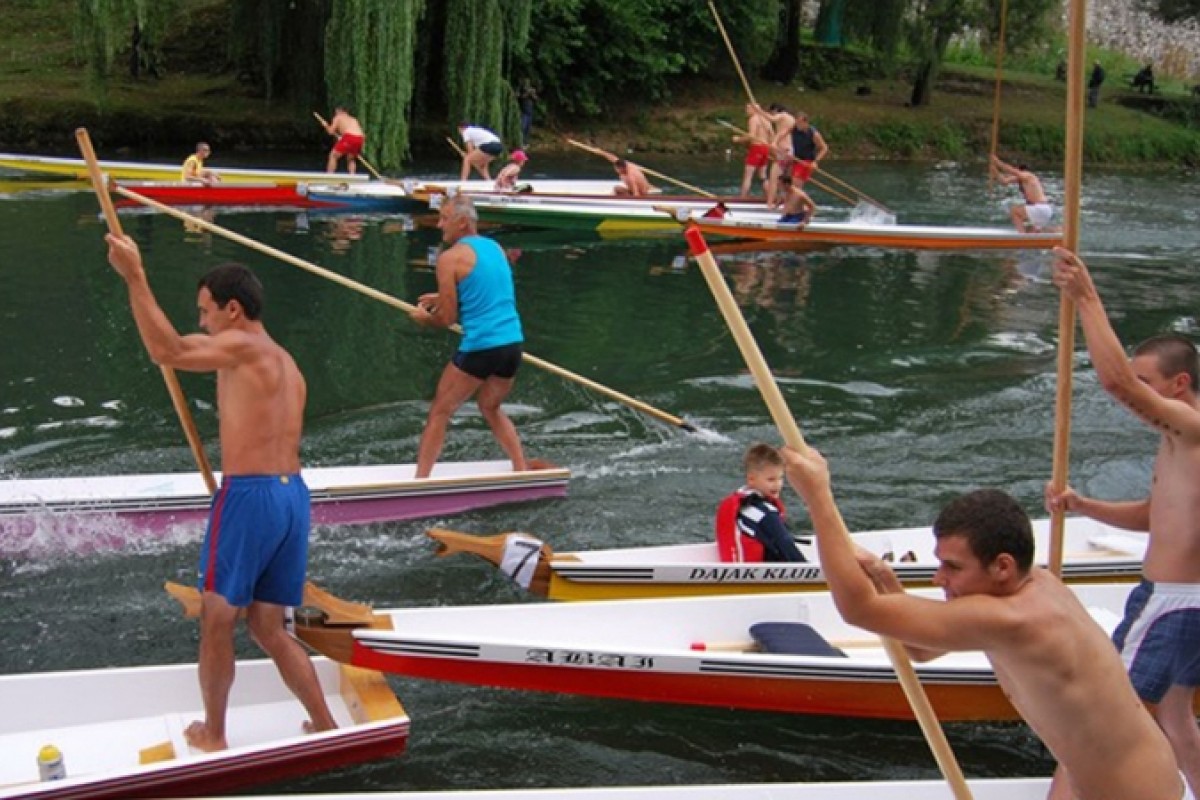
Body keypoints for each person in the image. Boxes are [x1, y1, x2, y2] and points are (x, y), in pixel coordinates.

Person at [781, 445, 1187, 800]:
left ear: (1002, 567)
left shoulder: (1015, 618)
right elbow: (920, 649)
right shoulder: (1023, 591)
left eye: (952, 567)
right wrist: (888, 583)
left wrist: (818, 496)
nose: (940, 578)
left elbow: (858, 609)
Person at [103, 234, 336, 753]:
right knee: (269, 626)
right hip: (292, 496)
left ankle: (214, 733)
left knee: (217, 618)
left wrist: (135, 277)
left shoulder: (242, 345)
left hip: (250, 496)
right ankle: (323, 724)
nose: (203, 322)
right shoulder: (286, 362)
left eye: (206, 311)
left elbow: (168, 350)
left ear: (234, 309)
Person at [1046, 246, 1200, 799]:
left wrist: (1086, 297)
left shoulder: (1190, 428)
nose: (1137, 393)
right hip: (1190, 603)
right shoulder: (1180, 442)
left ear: (1179, 384)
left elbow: (1115, 384)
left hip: (1170, 603)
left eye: (1148, 382)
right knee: (1176, 715)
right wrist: (1086, 507)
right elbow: (1156, 516)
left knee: (1103, 723)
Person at [407, 194, 527, 479]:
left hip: (481, 347)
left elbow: (447, 319)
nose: (439, 225)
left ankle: (420, 482)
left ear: (462, 223)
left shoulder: (450, 259)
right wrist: (446, 294)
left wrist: (426, 319)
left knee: (440, 411)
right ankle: (521, 469)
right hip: (512, 345)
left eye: (444, 218)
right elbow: (488, 286)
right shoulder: (496, 248)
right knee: (490, 406)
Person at [715, 443, 806, 563]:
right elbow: (785, 544)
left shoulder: (743, 505)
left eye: (781, 478)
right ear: (751, 479)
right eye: (771, 479)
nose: (778, 484)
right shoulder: (763, 514)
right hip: (755, 577)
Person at [990, 155, 1054, 233]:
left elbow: (1011, 170)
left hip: (1040, 208)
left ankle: (1021, 236)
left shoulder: (1028, 175)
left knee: (1014, 211)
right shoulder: (1022, 178)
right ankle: (1033, 236)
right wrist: (995, 170)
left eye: (1018, 173)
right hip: (1041, 210)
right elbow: (1004, 181)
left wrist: (997, 162)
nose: (1015, 176)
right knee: (1031, 230)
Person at [734, 103, 773, 197]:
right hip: (765, 148)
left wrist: (738, 139)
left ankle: (742, 198)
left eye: (748, 108)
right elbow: (772, 135)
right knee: (763, 176)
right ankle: (769, 197)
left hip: (757, 147)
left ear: (754, 109)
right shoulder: (767, 120)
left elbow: (752, 135)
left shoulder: (753, 119)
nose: (746, 110)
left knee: (748, 174)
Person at [785, 112, 828, 187]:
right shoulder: (794, 129)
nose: (797, 125)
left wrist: (815, 162)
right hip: (795, 159)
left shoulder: (813, 134)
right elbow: (783, 135)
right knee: (786, 180)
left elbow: (824, 148)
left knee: (795, 184)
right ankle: (785, 198)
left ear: (806, 122)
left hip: (806, 162)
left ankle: (797, 197)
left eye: (799, 123)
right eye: (796, 122)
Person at [323, 106, 365, 175]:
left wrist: (326, 125)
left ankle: (329, 175)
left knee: (333, 155)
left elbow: (330, 132)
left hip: (349, 137)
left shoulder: (338, 117)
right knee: (351, 158)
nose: (335, 113)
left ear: (340, 111)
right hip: (360, 138)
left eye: (336, 112)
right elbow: (357, 132)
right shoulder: (353, 119)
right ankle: (352, 176)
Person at [517, 80, 538, 147]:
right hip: (524, 112)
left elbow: (536, 99)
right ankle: (520, 142)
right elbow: (520, 97)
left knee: (528, 129)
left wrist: (532, 94)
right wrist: (527, 93)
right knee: (522, 127)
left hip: (530, 112)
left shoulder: (532, 91)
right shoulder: (521, 90)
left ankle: (526, 142)